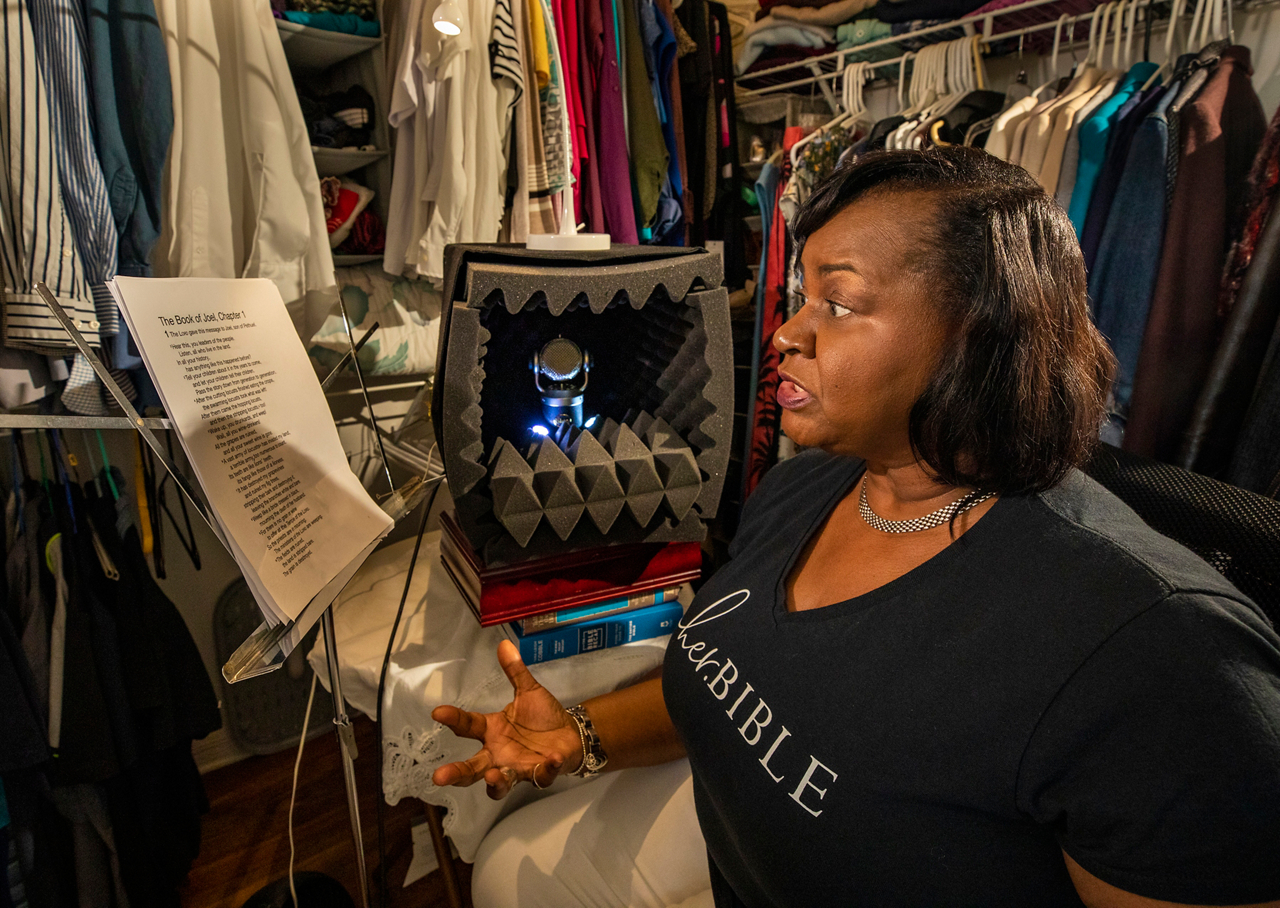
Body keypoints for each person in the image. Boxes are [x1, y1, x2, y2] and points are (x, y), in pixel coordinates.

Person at [429, 148, 1280, 907]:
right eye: (802, 297)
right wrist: (582, 734)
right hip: (733, 850)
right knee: (507, 862)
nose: (788, 332)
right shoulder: (814, 486)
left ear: (978, 334)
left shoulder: (1158, 655)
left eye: (838, 303)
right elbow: (746, 684)